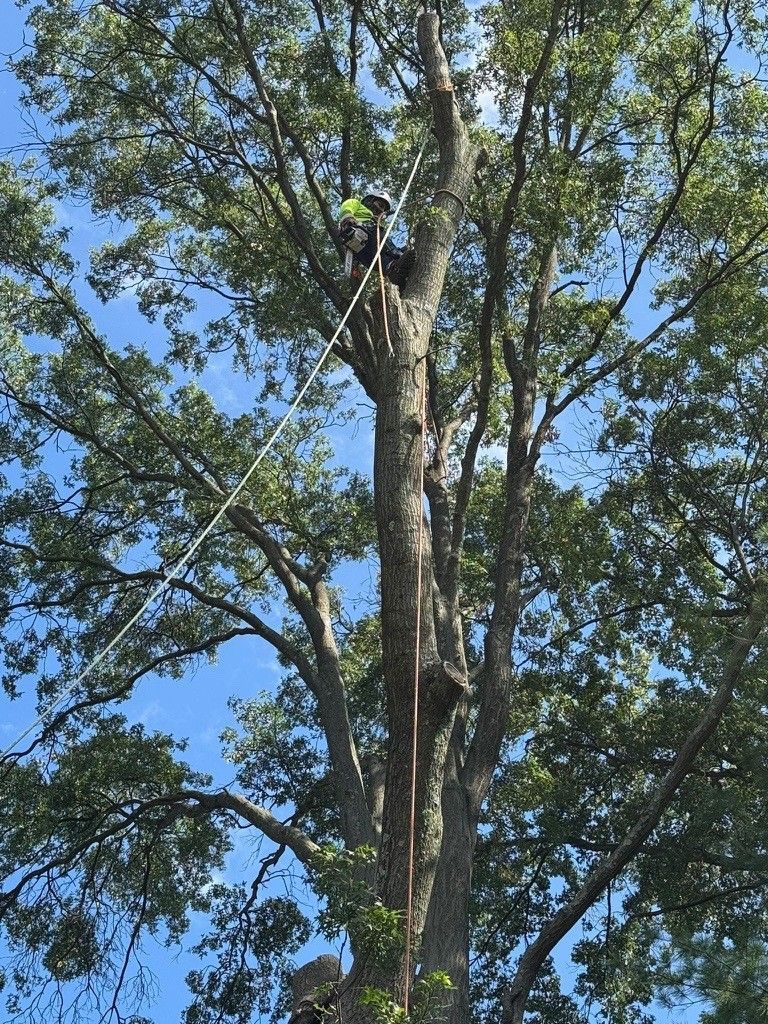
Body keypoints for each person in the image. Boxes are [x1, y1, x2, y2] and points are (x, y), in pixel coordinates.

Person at [338, 186, 414, 287]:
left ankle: (393, 269)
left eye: (382, 208)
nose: (380, 209)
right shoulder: (357, 204)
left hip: (367, 242)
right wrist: (348, 219)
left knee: (377, 258)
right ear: (370, 200)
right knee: (379, 237)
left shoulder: (376, 219)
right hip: (360, 232)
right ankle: (397, 254)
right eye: (380, 204)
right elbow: (347, 207)